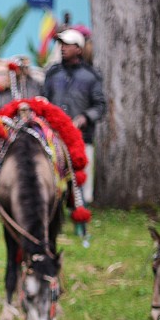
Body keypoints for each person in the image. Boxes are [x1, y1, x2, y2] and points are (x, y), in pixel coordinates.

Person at [43, 28, 107, 204]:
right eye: (61, 44)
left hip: (81, 139)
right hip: (53, 138)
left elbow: (100, 106)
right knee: (51, 181)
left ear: (78, 49)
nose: (62, 48)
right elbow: (44, 100)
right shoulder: (53, 74)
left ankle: (81, 221)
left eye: (67, 45)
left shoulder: (91, 76)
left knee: (82, 187)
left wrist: (84, 118)